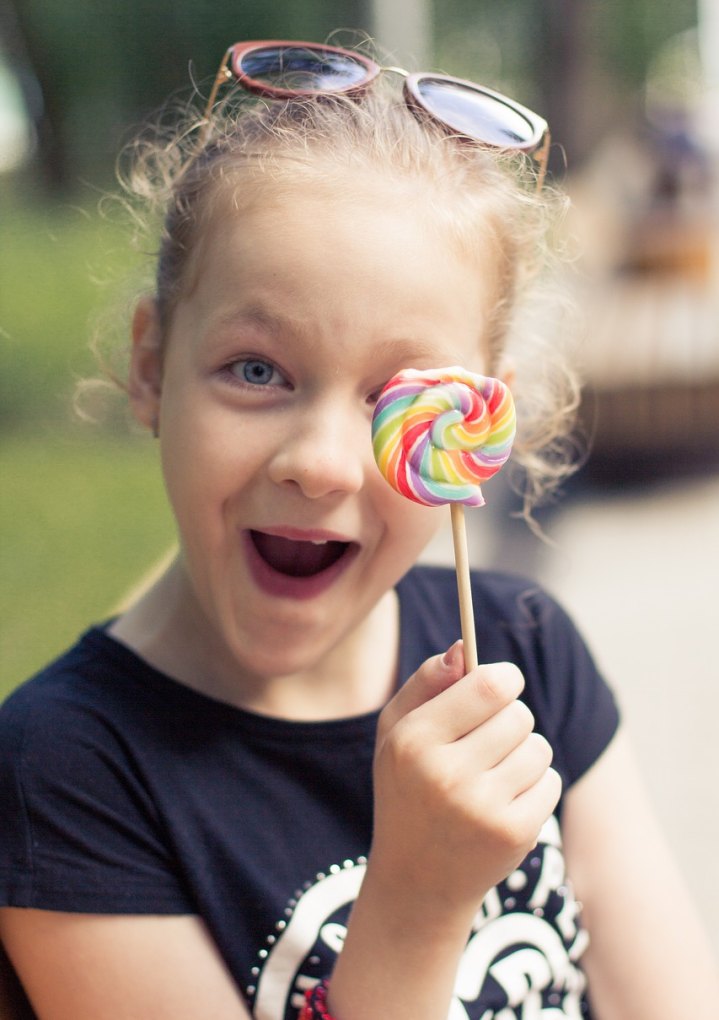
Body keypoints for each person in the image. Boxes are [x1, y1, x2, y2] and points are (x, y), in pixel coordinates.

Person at [0, 38, 717, 1020]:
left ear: (479, 423)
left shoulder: (524, 655)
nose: (322, 461)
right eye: (256, 370)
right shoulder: (66, 771)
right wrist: (415, 907)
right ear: (149, 364)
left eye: (398, 394)